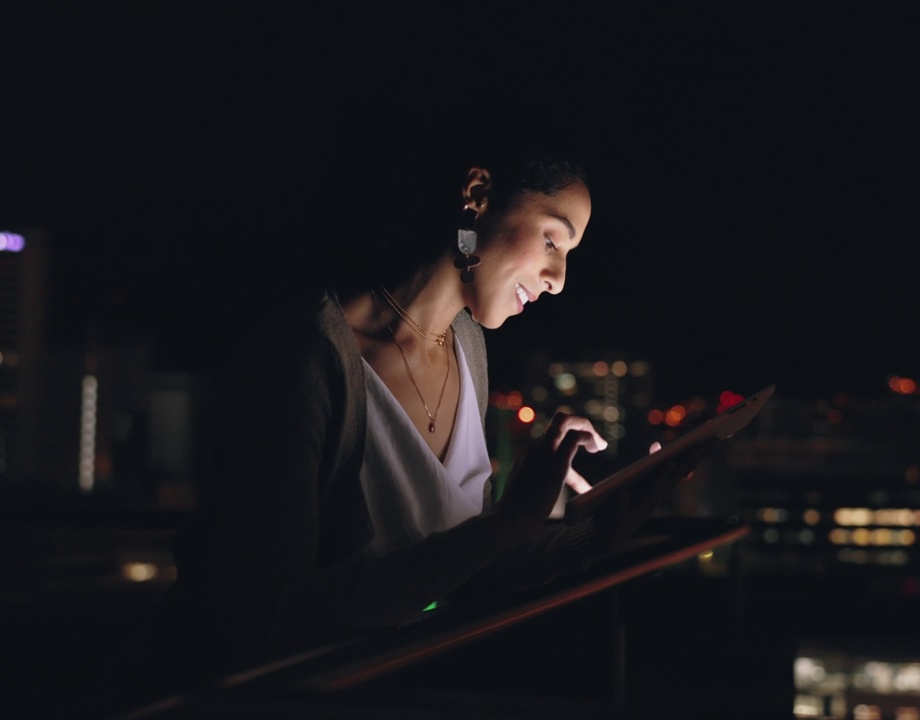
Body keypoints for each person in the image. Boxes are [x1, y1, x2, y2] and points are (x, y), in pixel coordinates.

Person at [168, 147, 692, 678]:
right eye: (552, 239)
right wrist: (509, 522)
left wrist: (601, 530)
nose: (558, 278)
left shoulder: (467, 346)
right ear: (477, 196)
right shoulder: (305, 356)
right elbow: (266, 615)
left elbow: (468, 564)